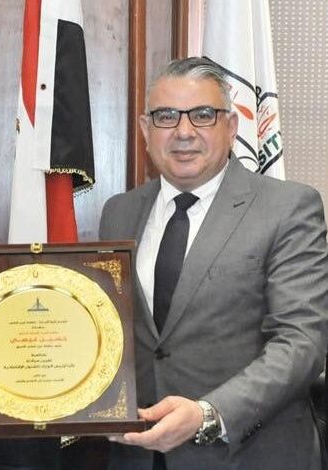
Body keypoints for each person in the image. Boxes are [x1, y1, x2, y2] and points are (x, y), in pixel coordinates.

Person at [99, 57, 328, 470]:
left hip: (249, 456)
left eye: (203, 115)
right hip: (137, 456)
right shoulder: (119, 213)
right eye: (166, 116)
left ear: (232, 126)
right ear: (146, 130)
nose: (184, 132)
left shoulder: (288, 207)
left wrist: (208, 414)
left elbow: (302, 343)